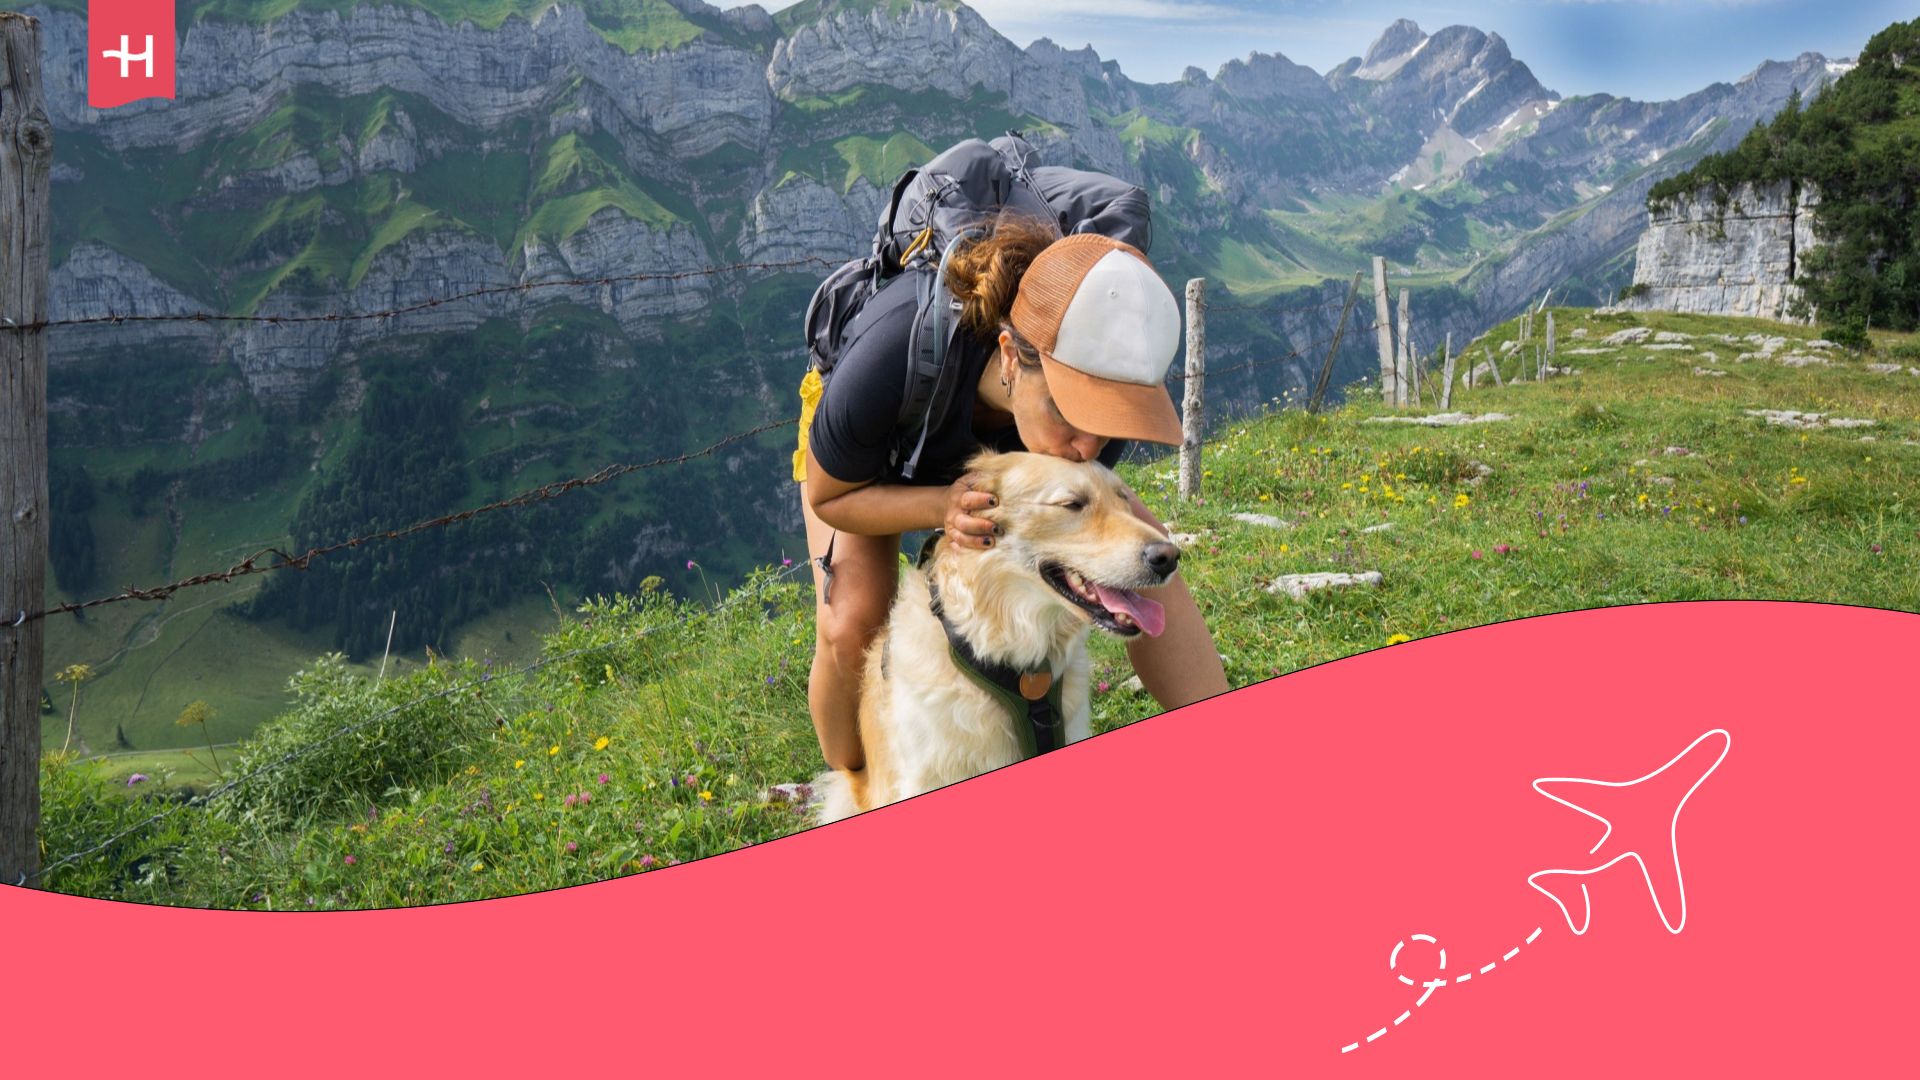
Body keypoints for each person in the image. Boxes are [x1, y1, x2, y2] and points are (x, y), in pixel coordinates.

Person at [793, 213, 1230, 773]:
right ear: (1008, 356)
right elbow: (832, 497)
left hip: (986, 455)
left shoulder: (1084, 428)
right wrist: (943, 507)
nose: (1086, 445)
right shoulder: (890, 353)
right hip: (875, 457)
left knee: (1140, 553)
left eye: (1105, 418)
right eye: (1069, 410)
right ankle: (855, 778)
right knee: (850, 618)